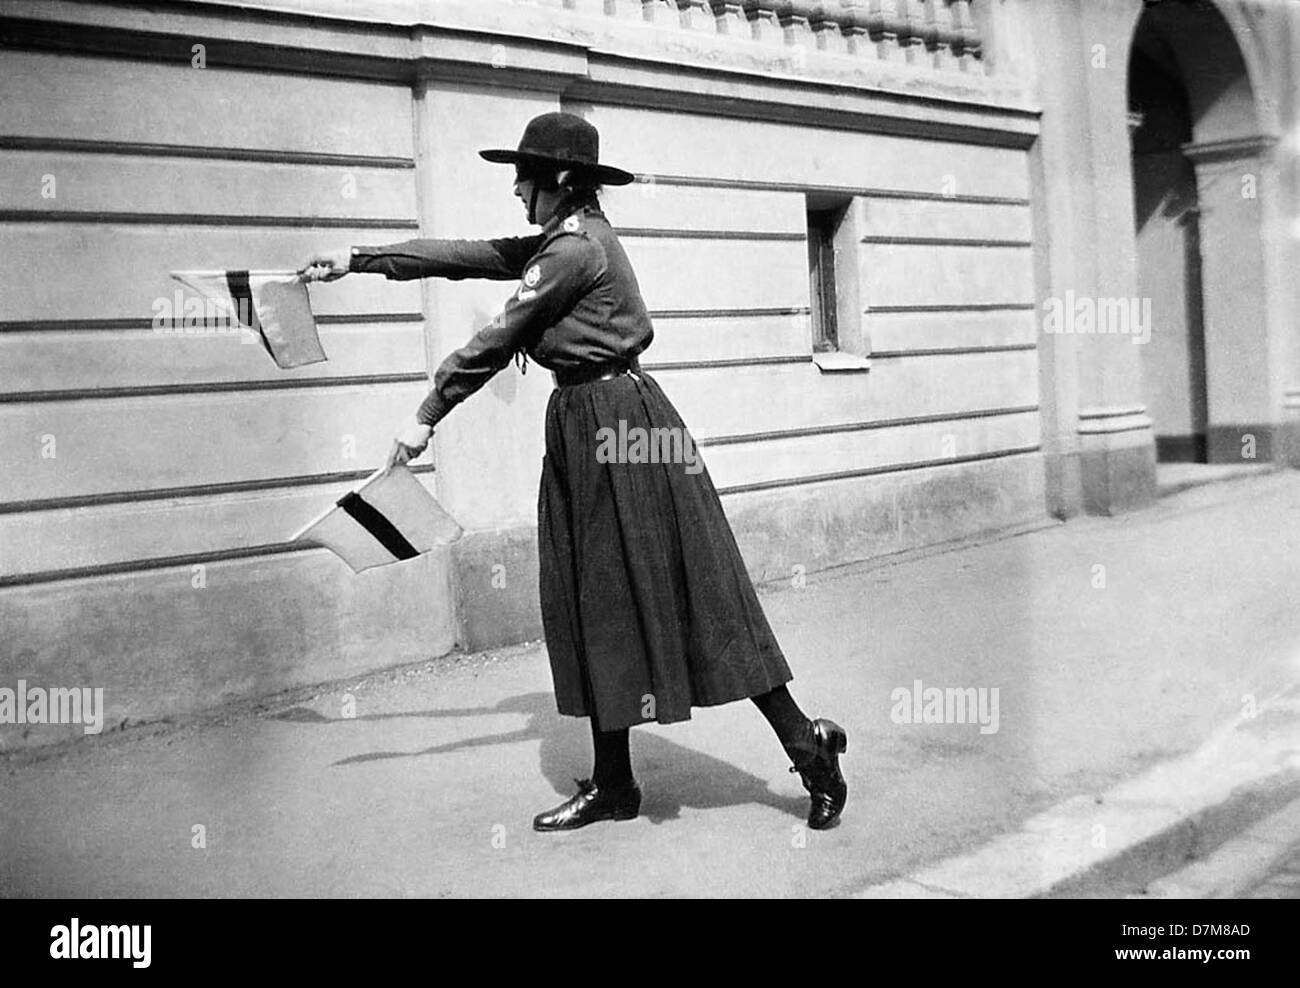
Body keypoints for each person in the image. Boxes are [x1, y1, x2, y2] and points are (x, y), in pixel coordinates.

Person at [300, 112, 847, 832]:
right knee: (597, 600)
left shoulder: (574, 253)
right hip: (586, 424)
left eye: (524, 176)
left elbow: (499, 338)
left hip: (623, 428)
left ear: (561, 181)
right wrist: (359, 258)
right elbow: (469, 254)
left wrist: (426, 413)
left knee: (702, 595)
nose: (516, 190)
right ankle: (616, 785)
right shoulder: (563, 242)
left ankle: (811, 747)